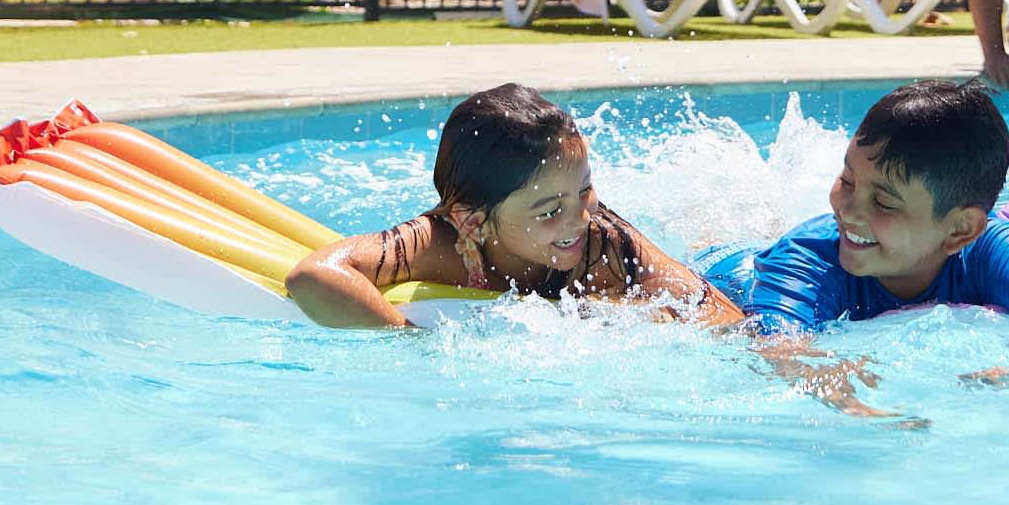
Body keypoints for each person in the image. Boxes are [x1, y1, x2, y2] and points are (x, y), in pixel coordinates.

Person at [700, 80, 1009, 403]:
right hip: (726, 271)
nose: (850, 210)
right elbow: (775, 346)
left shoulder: (982, 246)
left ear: (959, 229)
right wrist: (827, 378)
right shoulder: (807, 260)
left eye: (883, 203)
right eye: (847, 181)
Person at [286, 84, 744, 330]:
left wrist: (628, 317)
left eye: (584, 190)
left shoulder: (604, 241)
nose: (579, 219)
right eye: (548, 211)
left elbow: (722, 313)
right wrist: (407, 341)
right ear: (472, 219)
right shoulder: (441, 241)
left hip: (729, 269)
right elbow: (314, 276)